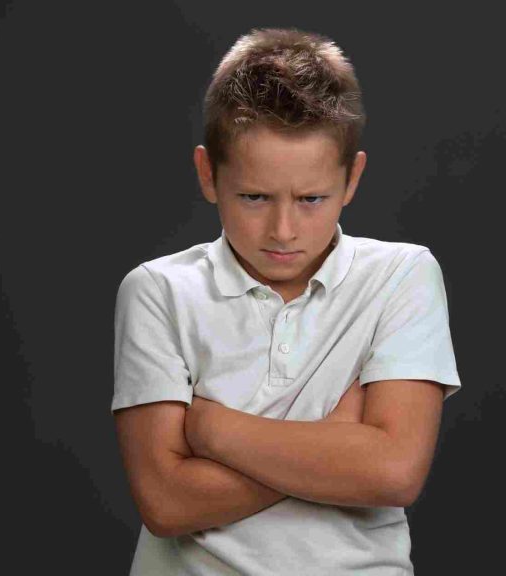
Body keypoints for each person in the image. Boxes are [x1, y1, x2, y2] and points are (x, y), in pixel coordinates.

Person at [111, 27, 461, 575]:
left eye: (311, 199)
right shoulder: (158, 290)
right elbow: (166, 502)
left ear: (353, 179)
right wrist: (336, 445)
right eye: (254, 197)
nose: (282, 230)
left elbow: (393, 473)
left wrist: (212, 431)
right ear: (208, 174)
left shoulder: (402, 275)